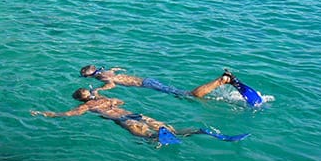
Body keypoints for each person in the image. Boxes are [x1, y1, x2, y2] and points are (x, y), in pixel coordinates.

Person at [31, 89, 249, 145]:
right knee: (157, 129)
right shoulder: (98, 102)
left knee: (146, 133)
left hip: (125, 118)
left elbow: (67, 114)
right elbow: (121, 101)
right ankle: (196, 131)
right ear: (85, 96)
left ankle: (158, 139)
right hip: (130, 115)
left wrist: (46, 113)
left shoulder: (93, 105)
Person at [79, 65, 241, 100]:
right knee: (177, 91)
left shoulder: (102, 77)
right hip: (148, 80)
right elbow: (116, 70)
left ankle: (222, 80)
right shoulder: (106, 71)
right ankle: (222, 81)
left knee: (188, 95)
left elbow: (111, 84)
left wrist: (99, 91)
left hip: (146, 85)